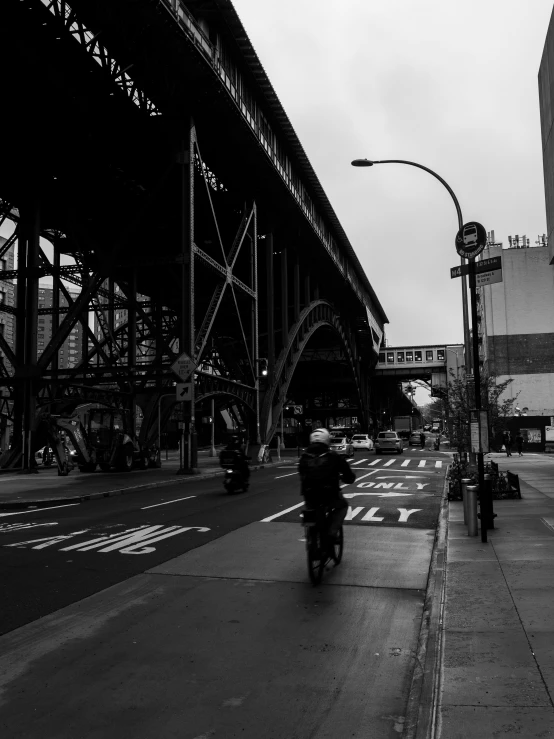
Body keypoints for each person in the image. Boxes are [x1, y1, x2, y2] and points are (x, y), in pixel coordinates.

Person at [298, 428, 356, 540]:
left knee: (310, 510)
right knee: (342, 506)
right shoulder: (333, 456)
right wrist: (348, 478)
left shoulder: (304, 457)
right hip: (329, 493)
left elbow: (301, 474)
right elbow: (348, 475)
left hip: (309, 494)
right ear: (327, 440)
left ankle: (311, 537)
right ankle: (331, 533)